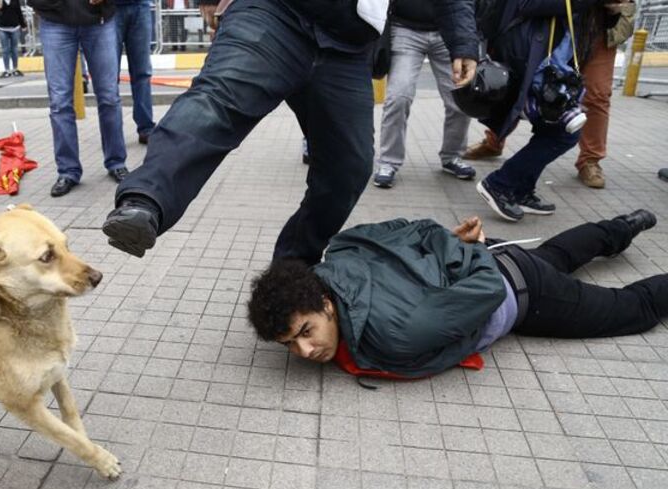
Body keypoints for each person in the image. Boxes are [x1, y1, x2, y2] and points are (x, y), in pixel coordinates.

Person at [102, 0, 479, 262]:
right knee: (218, 101)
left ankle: (293, 269)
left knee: (349, 167)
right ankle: (145, 202)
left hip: (349, 44)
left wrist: (463, 42)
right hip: (273, 14)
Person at [247, 209, 660, 377]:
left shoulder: (395, 334)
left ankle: (627, 241)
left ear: (324, 302)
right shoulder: (343, 249)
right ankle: (625, 225)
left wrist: (471, 251)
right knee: (556, 255)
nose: (304, 351)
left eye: (306, 331)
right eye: (290, 344)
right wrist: (453, 243)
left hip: (521, 289)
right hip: (493, 255)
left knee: (632, 309)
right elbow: (413, 228)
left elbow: (486, 290)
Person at [471, 0, 612, 222]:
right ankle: (499, 184)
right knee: (564, 133)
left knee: (552, 130)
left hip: (546, 64)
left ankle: (521, 190)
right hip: (530, 61)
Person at [29, 0, 129, 198]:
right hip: (55, 21)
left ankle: (117, 162)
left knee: (109, 96)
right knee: (59, 102)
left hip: (100, 20)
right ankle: (68, 171)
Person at [372, 0, 475, 188]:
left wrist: (466, 43)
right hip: (404, 28)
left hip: (448, 31)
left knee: (461, 98)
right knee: (398, 97)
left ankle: (452, 156)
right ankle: (388, 161)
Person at [575, 0, 634, 189]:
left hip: (600, 24)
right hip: (552, 18)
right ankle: (497, 138)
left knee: (597, 94)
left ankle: (590, 160)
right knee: (522, 81)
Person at [115, 0, 156, 144]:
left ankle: (146, 128)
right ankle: (113, 133)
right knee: (110, 76)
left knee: (142, 73)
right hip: (110, 9)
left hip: (140, 6)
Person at [0, 0, 28, 78]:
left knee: (14, 49)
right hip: (2, 28)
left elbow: (19, 12)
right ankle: (7, 70)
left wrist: (23, 25)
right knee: (5, 50)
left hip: (15, 28)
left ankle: (15, 69)